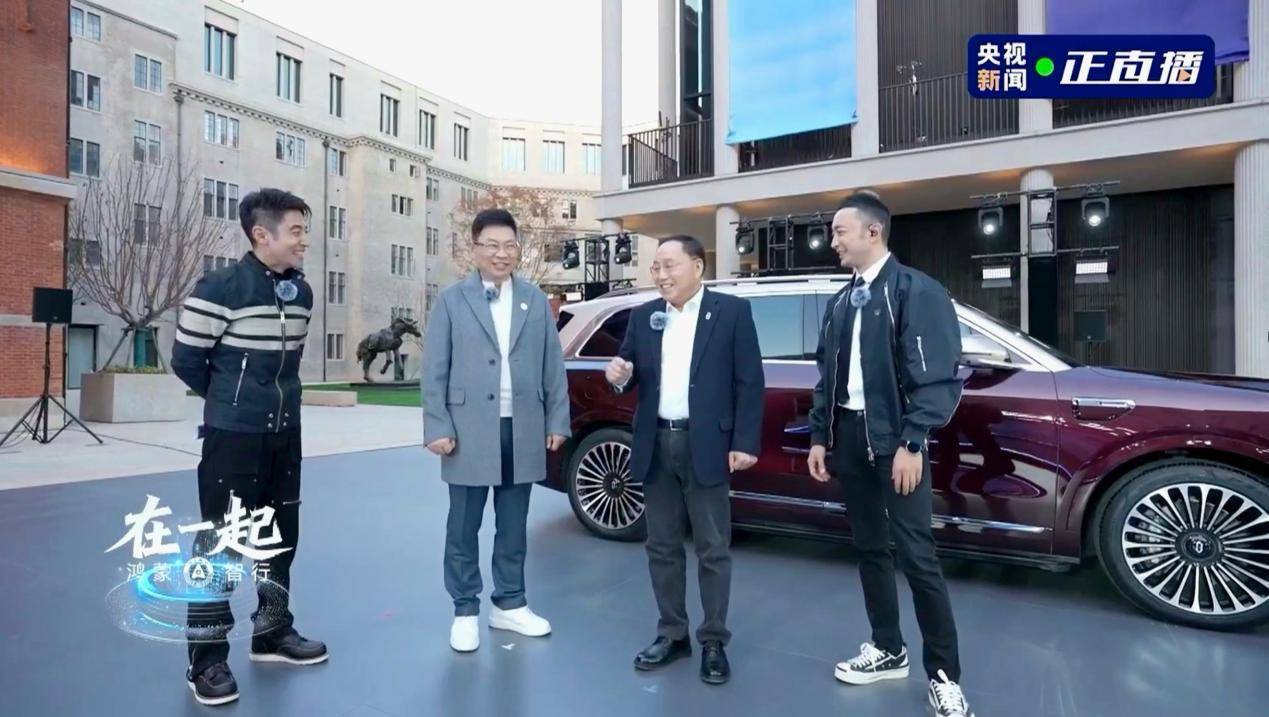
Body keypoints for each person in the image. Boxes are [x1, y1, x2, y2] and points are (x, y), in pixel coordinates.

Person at [806, 191, 973, 717]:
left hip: (897, 441)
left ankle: (944, 676)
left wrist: (912, 440)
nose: (833, 242)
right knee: (869, 549)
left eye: (840, 232)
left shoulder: (917, 291)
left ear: (872, 232)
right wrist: (819, 436)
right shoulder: (841, 301)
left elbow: (938, 378)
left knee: (917, 556)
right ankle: (887, 648)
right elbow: (826, 377)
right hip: (849, 439)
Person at [171, 188, 328, 707]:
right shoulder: (220, 287)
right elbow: (187, 360)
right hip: (232, 437)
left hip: (285, 434)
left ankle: (272, 632)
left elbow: (290, 363)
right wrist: (230, 402)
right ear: (262, 234)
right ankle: (205, 660)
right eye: (297, 231)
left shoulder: (301, 293)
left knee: (279, 539)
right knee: (219, 547)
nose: (304, 240)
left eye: (305, 230)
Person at [604, 236, 764, 685]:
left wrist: (744, 442)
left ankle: (713, 640)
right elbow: (628, 373)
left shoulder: (731, 312)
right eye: (655, 267)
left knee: (713, 547)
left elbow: (750, 382)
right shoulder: (644, 317)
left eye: (669, 266)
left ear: (697, 266)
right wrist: (617, 376)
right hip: (656, 442)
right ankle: (672, 633)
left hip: (706, 444)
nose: (661, 275)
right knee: (661, 545)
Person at [421, 208, 571, 653]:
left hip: (523, 427)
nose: (501, 254)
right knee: (463, 525)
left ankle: (510, 603)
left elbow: (553, 365)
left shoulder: (534, 300)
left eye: (509, 246)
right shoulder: (452, 300)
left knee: (514, 524)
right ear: (475, 248)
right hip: (466, 430)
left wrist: (557, 420)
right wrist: (437, 424)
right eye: (492, 245)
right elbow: (434, 370)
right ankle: (465, 609)